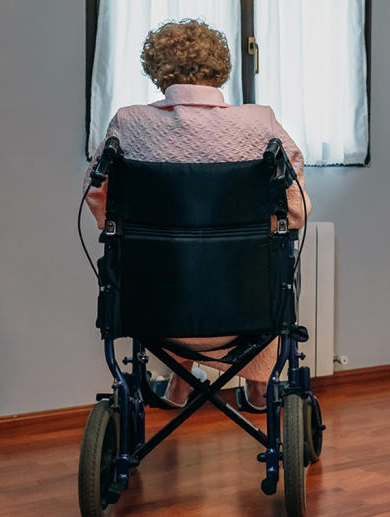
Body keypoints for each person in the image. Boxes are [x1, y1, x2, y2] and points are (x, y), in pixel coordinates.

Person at [84, 19, 310, 411]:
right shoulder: (260, 123)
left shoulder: (128, 123)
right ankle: (257, 390)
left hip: (155, 308)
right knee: (258, 262)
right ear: (220, 68)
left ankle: (179, 385)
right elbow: (296, 209)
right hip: (245, 309)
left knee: (175, 261)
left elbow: (97, 195)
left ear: (157, 71)